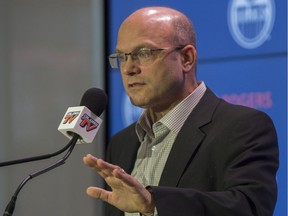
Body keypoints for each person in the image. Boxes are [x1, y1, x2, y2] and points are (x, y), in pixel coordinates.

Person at [83, 6, 279, 216]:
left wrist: (153, 204)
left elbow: (248, 208)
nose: (129, 69)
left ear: (186, 58)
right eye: (123, 57)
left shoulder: (242, 127)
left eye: (144, 53)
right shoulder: (122, 142)